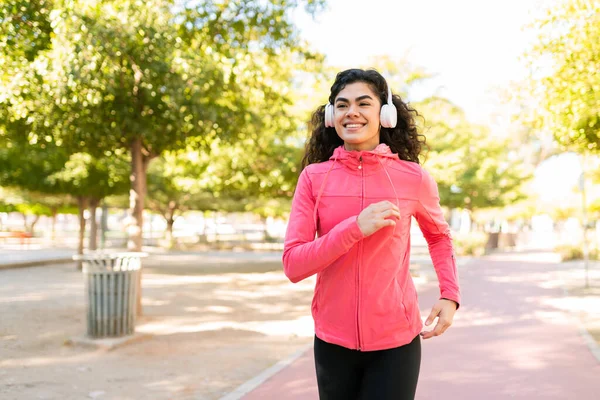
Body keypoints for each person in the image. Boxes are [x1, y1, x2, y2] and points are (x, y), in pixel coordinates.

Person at [282, 68, 461, 400]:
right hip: (333, 341)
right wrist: (354, 229)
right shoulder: (313, 179)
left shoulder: (414, 178)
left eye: (364, 103)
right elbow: (294, 265)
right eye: (342, 104)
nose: (352, 112)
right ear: (331, 117)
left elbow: (439, 236)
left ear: (385, 113)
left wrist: (450, 295)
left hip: (397, 341)